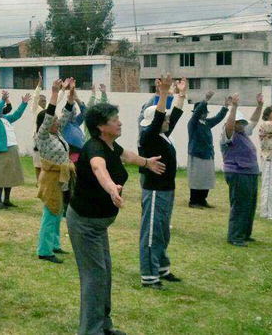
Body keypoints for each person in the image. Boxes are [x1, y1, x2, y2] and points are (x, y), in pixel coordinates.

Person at [69, 102, 164, 335]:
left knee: (104, 274)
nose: (119, 122)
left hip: (98, 225)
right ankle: (90, 331)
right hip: (84, 224)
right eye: (114, 120)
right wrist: (112, 188)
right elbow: (98, 168)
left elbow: (127, 155)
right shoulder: (94, 148)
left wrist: (146, 162)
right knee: (94, 277)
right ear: (101, 126)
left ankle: (103, 325)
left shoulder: (110, 145)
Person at [137, 74, 186, 288]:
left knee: (163, 232)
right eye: (164, 119)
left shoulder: (162, 134)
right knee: (152, 233)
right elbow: (159, 119)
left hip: (166, 190)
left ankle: (161, 267)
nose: (168, 121)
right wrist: (164, 92)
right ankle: (149, 275)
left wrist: (181, 95)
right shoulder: (148, 137)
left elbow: (174, 116)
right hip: (155, 191)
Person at [35, 79, 75, 264]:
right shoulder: (43, 136)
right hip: (51, 178)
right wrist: (53, 93)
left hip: (61, 177)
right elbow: (49, 115)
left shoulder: (56, 133)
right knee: (51, 212)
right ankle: (44, 250)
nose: (58, 121)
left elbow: (66, 114)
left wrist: (70, 95)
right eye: (54, 119)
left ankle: (54, 244)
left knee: (58, 211)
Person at [221, 92, 263, 247]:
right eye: (238, 122)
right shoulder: (228, 134)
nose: (241, 125)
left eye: (241, 123)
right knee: (240, 205)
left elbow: (253, 120)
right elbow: (229, 125)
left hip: (249, 172)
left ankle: (245, 234)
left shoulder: (243, 132)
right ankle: (235, 236)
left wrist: (259, 106)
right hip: (238, 173)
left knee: (249, 205)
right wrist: (233, 108)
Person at [0, 90, 30, 209]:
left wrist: (23, 104)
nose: (1, 109)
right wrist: (1, 101)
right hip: (1, 151)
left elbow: (16, 115)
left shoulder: (4, 118)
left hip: (12, 149)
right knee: (0, 176)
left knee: (9, 175)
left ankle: (6, 200)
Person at [186, 91, 230, 208]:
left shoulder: (206, 123)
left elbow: (218, 118)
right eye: (203, 112)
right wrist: (205, 100)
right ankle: (194, 201)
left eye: (205, 112)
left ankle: (202, 200)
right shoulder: (193, 123)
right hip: (197, 154)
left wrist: (225, 106)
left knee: (206, 178)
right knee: (196, 179)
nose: (204, 114)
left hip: (207, 154)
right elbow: (196, 114)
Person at [31, 73, 47, 182]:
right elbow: (35, 97)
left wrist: (63, 89)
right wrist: (39, 85)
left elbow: (58, 99)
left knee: (45, 162)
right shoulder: (35, 109)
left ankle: (43, 181)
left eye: (45, 100)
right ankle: (38, 181)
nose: (44, 102)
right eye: (42, 100)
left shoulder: (48, 110)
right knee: (37, 162)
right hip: (37, 138)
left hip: (47, 138)